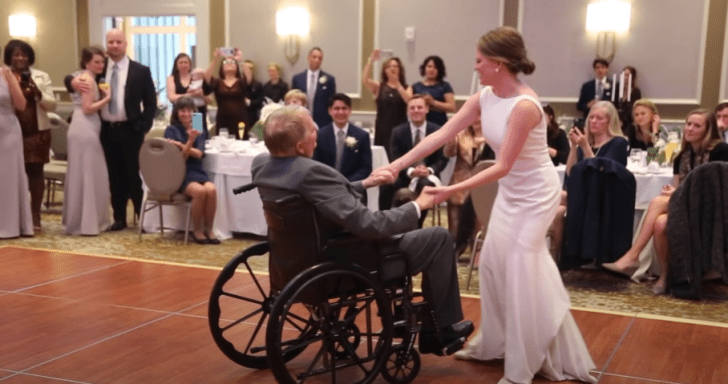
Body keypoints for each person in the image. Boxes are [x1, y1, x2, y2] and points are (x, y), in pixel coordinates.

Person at [377, 27, 596, 384]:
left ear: (498, 63)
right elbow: (441, 134)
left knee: (523, 267)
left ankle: (523, 366)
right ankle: (495, 344)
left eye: (480, 60)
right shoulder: (485, 95)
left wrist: (452, 190)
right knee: (493, 262)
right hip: (511, 190)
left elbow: (503, 164)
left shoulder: (525, 106)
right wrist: (396, 165)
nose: (476, 66)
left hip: (535, 192)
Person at [251, 105, 473, 356]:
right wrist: (416, 206)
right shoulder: (313, 172)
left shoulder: (262, 165)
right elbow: (371, 225)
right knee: (439, 237)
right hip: (347, 261)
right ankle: (439, 331)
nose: (316, 130)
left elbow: (317, 199)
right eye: (311, 128)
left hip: (292, 262)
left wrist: (366, 183)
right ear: (301, 147)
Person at [603, 109, 728, 294]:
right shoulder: (637, 137)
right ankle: (664, 275)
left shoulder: (714, 149)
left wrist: (655, 133)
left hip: (713, 210)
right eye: (688, 124)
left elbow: (660, 158)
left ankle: (632, 256)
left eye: (642, 114)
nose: (638, 117)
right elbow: (655, 160)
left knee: (657, 202)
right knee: (661, 223)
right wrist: (651, 138)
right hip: (688, 205)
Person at [65, 28, 157, 231]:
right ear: (107, 45)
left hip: (131, 129)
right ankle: (119, 218)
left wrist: (143, 126)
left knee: (134, 175)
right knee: (114, 176)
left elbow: (151, 103)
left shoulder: (140, 71)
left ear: (125, 44)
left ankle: (140, 218)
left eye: (118, 42)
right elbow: (71, 78)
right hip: (106, 130)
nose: (114, 46)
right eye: (111, 42)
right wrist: (71, 81)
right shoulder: (99, 68)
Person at [550, 101, 628, 260]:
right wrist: (573, 146)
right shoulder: (586, 142)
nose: (593, 121)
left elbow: (602, 173)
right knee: (557, 211)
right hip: (583, 192)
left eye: (599, 118)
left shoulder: (618, 143)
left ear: (609, 121)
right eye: (591, 117)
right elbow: (571, 173)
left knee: (558, 197)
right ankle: (555, 257)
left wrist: (585, 147)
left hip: (603, 195)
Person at [5, 40, 57, 231]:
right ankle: (14, 214)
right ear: (9, 56)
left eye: (24, 54)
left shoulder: (41, 76)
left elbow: (52, 105)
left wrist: (38, 92)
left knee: (35, 173)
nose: (20, 58)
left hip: (37, 132)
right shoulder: (4, 75)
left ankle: (35, 215)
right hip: (10, 132)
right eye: (16, 54)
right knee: (13, 173)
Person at [62, 46, 112, 235]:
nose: (100, 65)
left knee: (83, 172)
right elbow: (88, 108)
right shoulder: (87, 79)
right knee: (90, 173)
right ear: (86, 62)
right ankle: (88, 223)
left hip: (83, 127)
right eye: (96, 62)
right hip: (85, 128)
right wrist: (107, 98)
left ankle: (81, 221)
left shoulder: (85, 77)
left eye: (102, 61)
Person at [164, 97, 219, 244]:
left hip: (197, 169)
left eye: (189, 110)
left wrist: (180, 144)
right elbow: (181, 159)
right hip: (180, 172)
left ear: (193, 112)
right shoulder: (171, 130)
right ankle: (197, 230)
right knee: (200, 192)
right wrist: (189, 141)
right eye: (182, 110)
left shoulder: (197, 124)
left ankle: (210, 229)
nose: (186, 114)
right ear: (177, 113)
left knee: (211, 190)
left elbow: (199, 154)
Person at [382, 95, 448, 218]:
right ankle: (384, 222)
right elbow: (395, 158)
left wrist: (428, 170)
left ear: (427, 109)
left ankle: (416, 225)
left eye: (419, 107)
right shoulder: (398, 132)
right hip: (404, 175)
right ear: (408, 111)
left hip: (429, 176)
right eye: (412, 108)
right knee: (385, 186)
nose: (416, 110)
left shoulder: (437, 131)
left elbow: (443, 159)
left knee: (424, 185)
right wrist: (412, 171)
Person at [0, 53, 33, 238]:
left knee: (8, 177)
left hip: (7, 131)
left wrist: (11, 80)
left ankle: (10, 226)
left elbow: (21, 105)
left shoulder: (6, 74)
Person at [312, 93, 372, 187]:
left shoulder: (362, 136)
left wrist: (347, 183)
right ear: (330, 111)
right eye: (336, 108)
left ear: (350, 111)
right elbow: (316, 163)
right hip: (326, 186)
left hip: (353, 187)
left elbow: (365, 167)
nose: (341, 112)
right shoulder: (320, 135)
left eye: (344, 108)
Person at [443, 114, 485, 240]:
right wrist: (450, 135)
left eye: (479, 115)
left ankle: (477, 256)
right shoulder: (461, 134)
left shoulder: (494, 136)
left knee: (479, 231)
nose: (476, 118)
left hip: (484, 185)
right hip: (460, 185)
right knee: (455, 231)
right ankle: (453, 254)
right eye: (473, 115)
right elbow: (448, 153)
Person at [363, 49, 412, 154]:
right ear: (385, 70)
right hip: (383, 128)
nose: (393, 68)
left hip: (400, 128)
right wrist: (370, 60)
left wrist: (397, 83)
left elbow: (409, 101)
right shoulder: (379, 86)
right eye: (390, 66)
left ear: (400, 69)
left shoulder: (406, 87)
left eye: (396, 66)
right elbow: (365, 80)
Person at [204, 48, 251, 140]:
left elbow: (249, 78)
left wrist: (240, 60)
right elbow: (207, 77)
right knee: (223, 145)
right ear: (221, 67)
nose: (229, 63)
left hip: (240, 119)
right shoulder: (217, 82)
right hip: (223, 119)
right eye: (225, 62)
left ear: (237, 67)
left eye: (233, 62)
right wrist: (216, 59)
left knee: (241, 145)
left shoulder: (241, 82)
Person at [166, 53, 212, 135]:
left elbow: (209, 100)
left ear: (190, 65)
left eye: (186, 62)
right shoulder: (171, 78)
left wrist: (200, 95)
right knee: (179, 138)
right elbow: (172, 97)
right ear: (176, 65)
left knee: (198, 138)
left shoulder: (197, 77)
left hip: (197, 114)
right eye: (181, 62)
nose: (183, 65)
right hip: (180, 114)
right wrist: (191, 95)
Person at [291, 47, 336, 127]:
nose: (317, 60)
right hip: (301, 122)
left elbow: (332, 103)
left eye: (320, 58)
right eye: (314, 57)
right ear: (308, 58)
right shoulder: (297, 79)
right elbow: (292, 101)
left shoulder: (329, 79)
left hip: (322, 123)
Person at [412, 55, 456, 126]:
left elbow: (452, 107)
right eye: (429, 66)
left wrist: (433, 102)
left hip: (439, 123)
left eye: (435, 67)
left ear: (439, 70)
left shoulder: (444, 85)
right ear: (424, 68)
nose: (431, 69)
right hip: (420, 124)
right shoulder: (416, 86)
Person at [243, 60, 264, 129]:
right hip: (238, 115)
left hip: (252, 117)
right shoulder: (237, 83)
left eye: (250, 68)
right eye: (246, 68)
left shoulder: (258, 84)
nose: (248, 70)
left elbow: (260, 102)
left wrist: (249, 102)